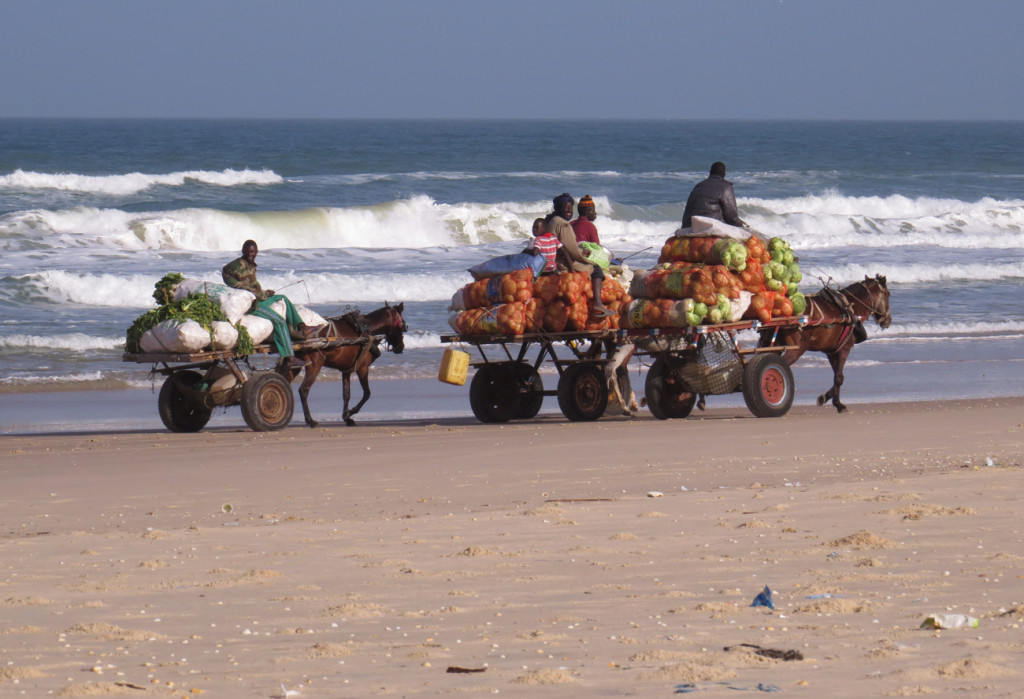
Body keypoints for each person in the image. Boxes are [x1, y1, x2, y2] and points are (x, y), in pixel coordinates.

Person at [222, 240, 313, 368]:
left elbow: (254, 286)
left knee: (283, 298)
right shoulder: (238, 264)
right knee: (279, 321)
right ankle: (289, 357)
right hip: (250, 304)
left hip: (258, 297)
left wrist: (265, 293)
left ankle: (302, 327)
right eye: (247, 251)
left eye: (252, 251)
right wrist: (238, 286)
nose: (250, 254)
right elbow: (225, 271)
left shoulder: (251, 265)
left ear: (257, 252)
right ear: (243, 251)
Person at [548, 193, 613, 317]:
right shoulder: (563, 224)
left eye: (570, 208)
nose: (569, 211)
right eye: (566, 208)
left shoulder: (554, 221)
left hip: (556, 260)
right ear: (559, 208)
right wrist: (590, 260)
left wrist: (581, 252)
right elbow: (573, 251)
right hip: (564, 263)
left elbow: (567, 246)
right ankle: (598, 304)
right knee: (596, 269)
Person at [682, 161, 749, 229]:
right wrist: (743, 225)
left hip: (690, 226)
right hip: (711, 227)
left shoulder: (699, 186)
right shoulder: (725, 186)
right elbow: (731, 217)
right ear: (724, 174)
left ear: (710, 172)